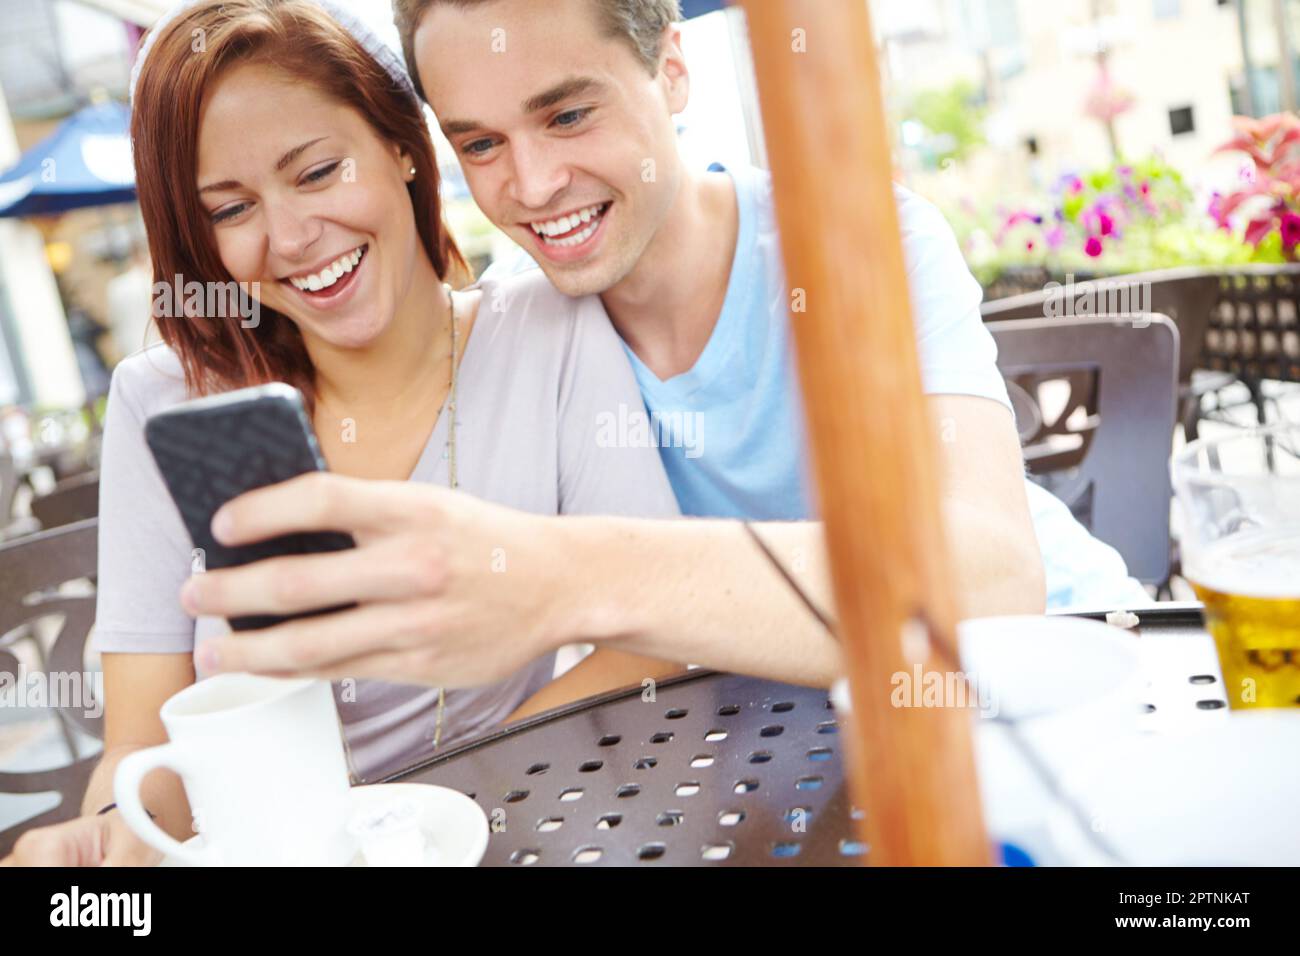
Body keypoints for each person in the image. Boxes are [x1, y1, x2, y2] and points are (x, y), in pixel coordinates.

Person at [165, 0, 1068, 695]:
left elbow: (994, 581)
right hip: (790, 748)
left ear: (672, 68)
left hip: (1057, 678)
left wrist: (568, 579)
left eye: (566, 117)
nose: (532, 184)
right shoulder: (516, 339)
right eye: (480, 143)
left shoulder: (855, 243)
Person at [3, 0, 680, 867]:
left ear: (402, 144)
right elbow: (140, 746)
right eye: (230, 209)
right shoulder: (163, 402)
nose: (290, 238)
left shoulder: (548, 330)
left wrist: (425, 817)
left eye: (318, 172)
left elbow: (645, 640)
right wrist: (111, 844)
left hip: (495, 824)